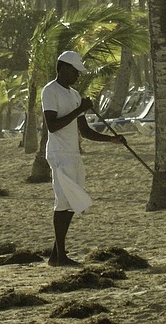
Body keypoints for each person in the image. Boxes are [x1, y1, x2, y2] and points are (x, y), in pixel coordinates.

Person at [41, 50, 124, 267]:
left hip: (74, 153)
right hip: (59, 153)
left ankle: (55, 255)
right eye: (74, 71)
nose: (77, 76)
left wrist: (111, 140)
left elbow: (84, 131)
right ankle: (60, 256)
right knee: (63, 201)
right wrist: (80, 109)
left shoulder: (75, 95)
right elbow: (53, 126)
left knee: (71, 202)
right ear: (63, 68)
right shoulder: (50, 91)